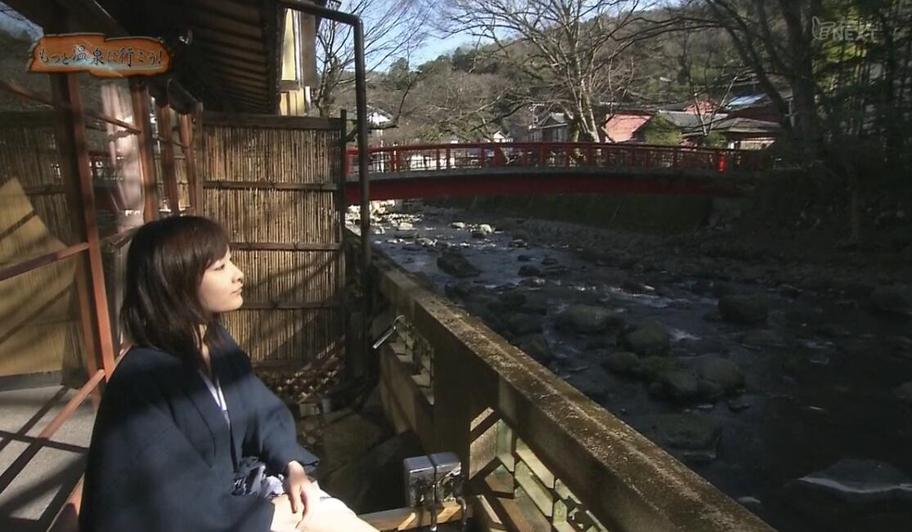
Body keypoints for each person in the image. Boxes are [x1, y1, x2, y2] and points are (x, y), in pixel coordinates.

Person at [80, 216, 376, 532]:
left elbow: (261, 412)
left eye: (230, 261)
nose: (238, 275)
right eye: (220, 267)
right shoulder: (139, 383)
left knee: (338, 518)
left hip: (241, 502)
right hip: (217, 521)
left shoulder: (219, 346)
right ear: (176, 283)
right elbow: (166, 498)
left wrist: (293, 465)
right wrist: (263, 516)